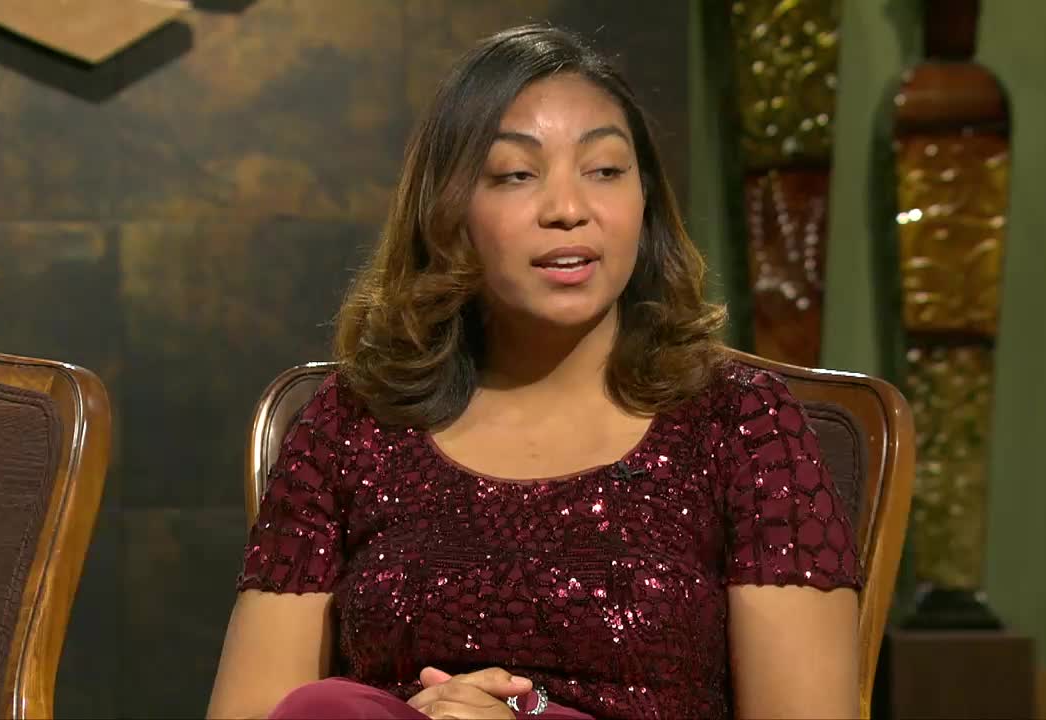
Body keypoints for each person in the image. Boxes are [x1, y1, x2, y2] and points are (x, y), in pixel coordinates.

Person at [206, 23, 861, 720]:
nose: (568, 210)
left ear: (645, 200)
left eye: (605, 170)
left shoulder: (741, 423)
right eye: (516, 175)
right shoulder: (355, 421)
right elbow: (258, 709)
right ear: (449, 211)